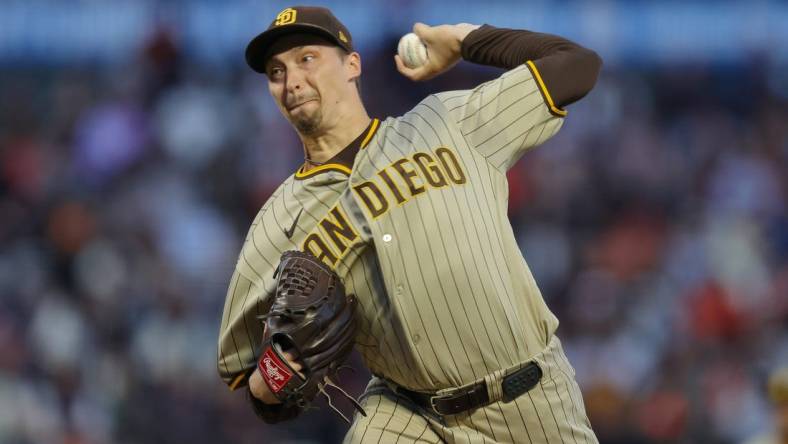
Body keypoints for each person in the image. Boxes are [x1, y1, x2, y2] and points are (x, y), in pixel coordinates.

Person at [217, 5, 602, 442]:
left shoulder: (448, 123)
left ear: (352, 65)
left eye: (307, 58)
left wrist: (463, 40)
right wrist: (275, 377)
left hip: (530, 396)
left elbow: (578, 65)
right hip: (407, 412)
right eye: (276, 71)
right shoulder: (275, 225)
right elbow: (248, 378)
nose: (292, 80)